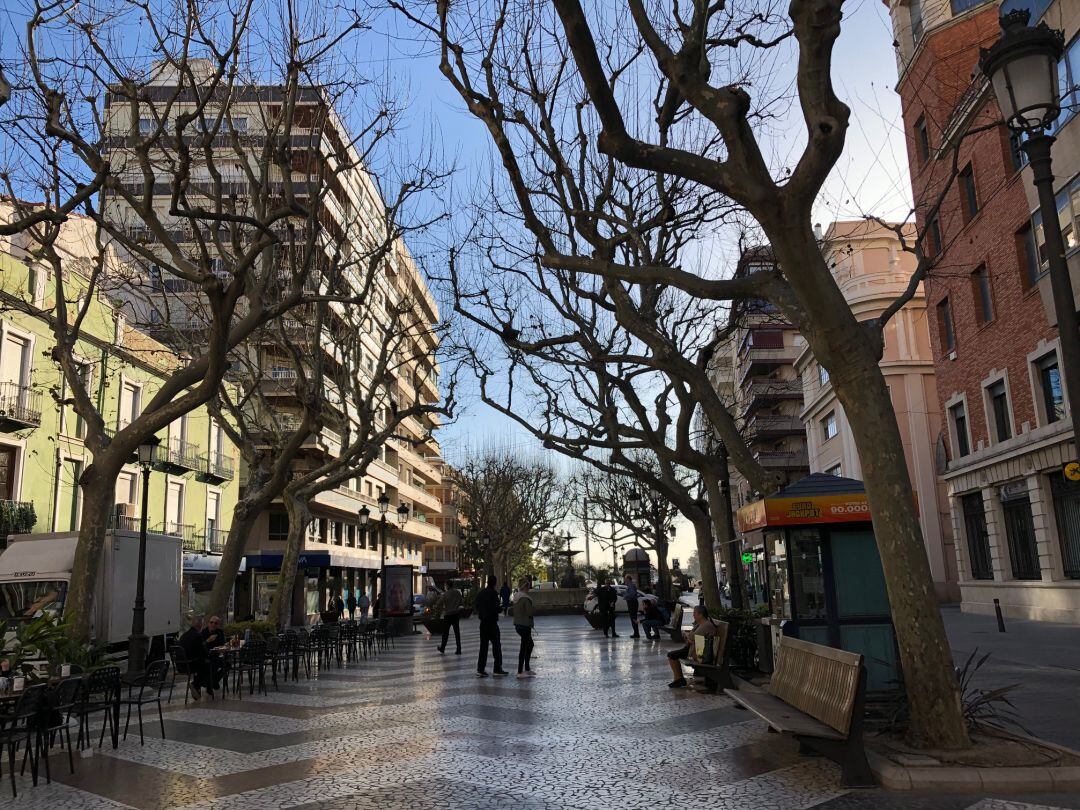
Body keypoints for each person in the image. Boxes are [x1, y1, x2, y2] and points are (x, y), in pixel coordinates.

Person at [666, 604, 719, 689]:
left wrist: (689, 638)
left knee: (672, 655)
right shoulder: (701, 623)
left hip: (699, 652)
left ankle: (679, 679)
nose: (693, 615)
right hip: (694, 648)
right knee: (672, 655)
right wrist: (690, 638)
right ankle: (678, 679)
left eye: (694, 613)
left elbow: (691, 636)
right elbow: (692, 636)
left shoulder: (706, 625)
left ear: (700, 615)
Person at [475, 576, 509, 677]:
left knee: (483, 647)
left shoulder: (481, 593)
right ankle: (497, 668)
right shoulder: (493, 593)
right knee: (497, 646)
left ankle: (480, 669)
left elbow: (476, 606)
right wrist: (500, 609)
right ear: (495, 583)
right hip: (492, 623)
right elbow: (496, 607)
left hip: (483, 623)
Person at [179, 614, 214, 699]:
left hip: (180, 665)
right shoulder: (197, 636)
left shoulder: (183, 636)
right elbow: (204, 652)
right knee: (209, 664)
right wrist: (211, 652)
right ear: (200, 625)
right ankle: (197, 685)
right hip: (191, 665)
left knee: (202, 662)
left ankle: (197, 687)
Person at [512, 578, 535, 678]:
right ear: (525, 587)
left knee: (529, 645)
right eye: (528, 586)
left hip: (518, 624)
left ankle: (527, 668)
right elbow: (530, 612)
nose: (529, 588)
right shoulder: (525, 598)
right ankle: (520, 671)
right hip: (525, 625)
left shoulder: (516, 597)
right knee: (524, 647)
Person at [437, 581, 464, 655]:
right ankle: (459, 649)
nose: (445, 587)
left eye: (445, 585)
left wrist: (443, 608)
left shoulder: (445, 594)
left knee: (445, 633)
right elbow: (461, 602)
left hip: (448, 615)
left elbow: (439, 603)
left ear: (448, 586)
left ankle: (442, 647)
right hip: (456, 614)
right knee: (457, 632)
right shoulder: (458, 593)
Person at [201, 615, 226, 690]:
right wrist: (208, 640)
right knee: (214, 663)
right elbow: (200, 646)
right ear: (208, 623)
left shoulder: (219, 632)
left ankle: (213, 681)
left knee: (227, 663)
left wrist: (222, 648)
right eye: (211, 622)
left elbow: (223, 644)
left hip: (217, 655)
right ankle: (211, 683)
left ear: (218, 625)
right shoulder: (203, 632)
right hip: (206, 656)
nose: (213, 625)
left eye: (215, 623)